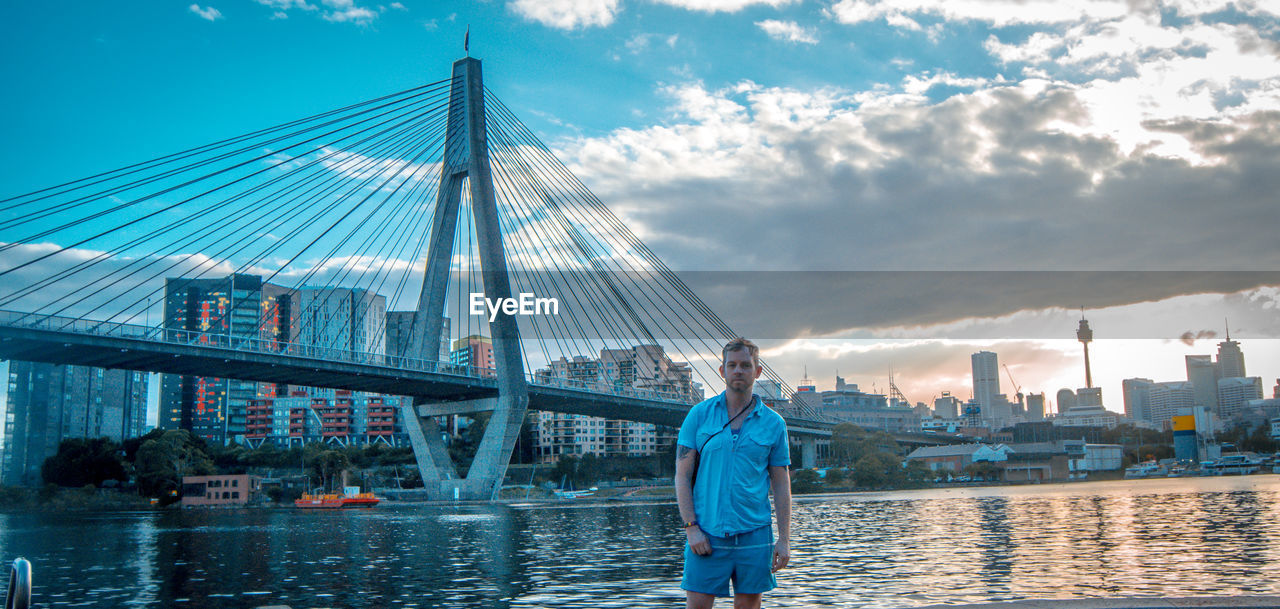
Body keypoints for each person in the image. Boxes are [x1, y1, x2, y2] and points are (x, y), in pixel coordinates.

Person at [675, 337, 791, 609]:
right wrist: (691, 528)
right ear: (722, 371)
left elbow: (781, 484)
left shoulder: (774, 424)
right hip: (706, 533)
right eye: (732, 365)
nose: (738, 370)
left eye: (745, 365)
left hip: (755, 534)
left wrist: (784, 540)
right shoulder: (698, 416)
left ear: (758, 371)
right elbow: (681, 477)